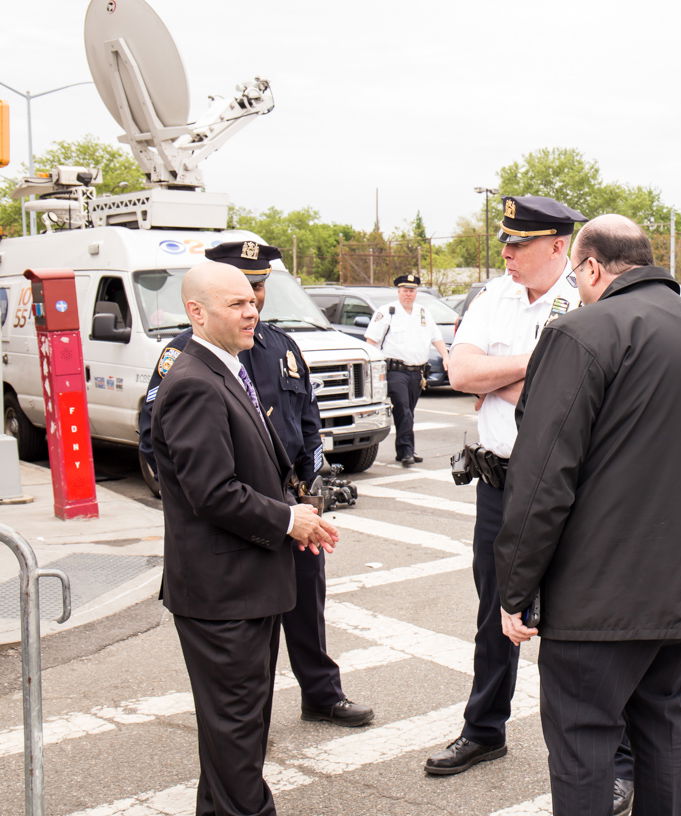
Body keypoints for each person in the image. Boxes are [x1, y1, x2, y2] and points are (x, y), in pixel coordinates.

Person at [496, 214, 681, 816]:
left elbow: (542, 477)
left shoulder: (581, 332)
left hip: (597, 597)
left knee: (583, 744)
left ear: (593, 266)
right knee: (662, 735)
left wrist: (515, 588)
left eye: (578, 275)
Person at [430, 195, 633, 813]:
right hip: (499, 484)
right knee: (496, 612)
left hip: (570, 490)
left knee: (587, 625)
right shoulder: (493, 298)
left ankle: (617, 760)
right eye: (506, 244)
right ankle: (485, 728)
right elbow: (459, 374)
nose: (507, 255)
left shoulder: (586, 300)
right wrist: (540, 366)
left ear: (556, 247)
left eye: (519, 244)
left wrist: (502, 375)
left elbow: (593, 390)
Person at [139, 241, 373, 728]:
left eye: (259, 289)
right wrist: (187, 504)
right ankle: (248, 727)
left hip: (289, 502)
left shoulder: (281, 346)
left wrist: (309, 487)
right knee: (245, 647)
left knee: (306, 604)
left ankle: (320, 693)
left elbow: (306, 418)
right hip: (239, 519)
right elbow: (158, 440)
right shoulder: (185, 355)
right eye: (242, 292)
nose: (255, 302)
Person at [151, 260, 340, 816]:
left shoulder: (224, 368)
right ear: (196, 312)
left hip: (244, 585)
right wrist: (288, 522)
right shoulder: (192, 382)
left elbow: (254, 467)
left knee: (235, 729)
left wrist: (298, 508)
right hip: (222, 593)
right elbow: (211, 492)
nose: (251, 310)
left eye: (252, 300)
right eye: (236, 303)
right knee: (237, 731)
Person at [363, 273, 448, 466]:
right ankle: (407, 451)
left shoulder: (422, 312)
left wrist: (446, 357)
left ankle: (404, 450)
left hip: (417, 372)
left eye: (412, 291)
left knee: (409, 410)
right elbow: (371, 341)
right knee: (403, 409)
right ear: (398, 292)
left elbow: (436, 338)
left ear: (416, 292)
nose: (408, 294)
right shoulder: (387, 312)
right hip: (395, 370)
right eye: (404, 291)